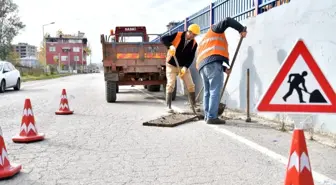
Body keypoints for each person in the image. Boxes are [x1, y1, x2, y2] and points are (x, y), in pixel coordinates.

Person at [195, 17, 247, 124]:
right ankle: (212, 117)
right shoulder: (215, 30)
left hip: (202, 67)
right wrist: (241, 29)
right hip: (212, 65)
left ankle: (207, 115)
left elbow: (209, 57)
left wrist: (223, 69)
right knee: (214, 90)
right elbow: (227, 20)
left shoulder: (204, 40)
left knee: (207, 92)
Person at [161, 24, 201, 113]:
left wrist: (185, 68)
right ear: (189, 32)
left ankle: (193, 105)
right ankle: (168, 106)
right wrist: (170, 46)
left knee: (191, 85)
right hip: (171, 65)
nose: (194, 37)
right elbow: (163, 39)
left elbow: (191, 58)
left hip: (182, 66)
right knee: (171, 85)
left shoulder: (194, 44)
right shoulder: (178, 35)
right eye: (193, 34)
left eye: (195, 35)